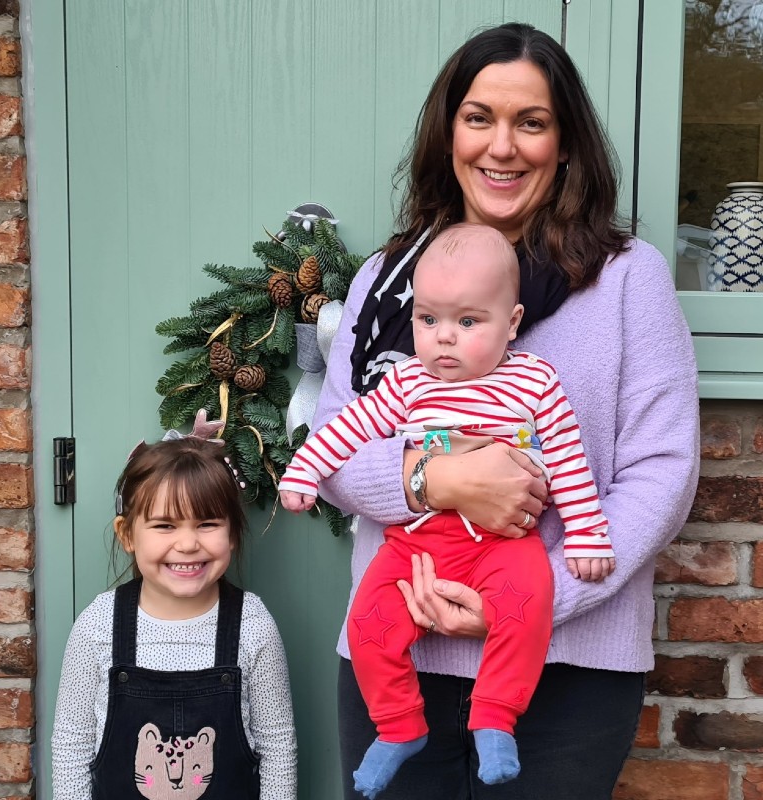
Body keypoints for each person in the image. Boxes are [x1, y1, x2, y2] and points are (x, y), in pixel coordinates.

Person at [310, 22, 700, 800]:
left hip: (569, 665)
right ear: (448, 132)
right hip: (398, 657)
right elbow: (333, 447)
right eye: (480, 117)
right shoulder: (389, 282)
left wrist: (529, 598)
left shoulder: (627, 280)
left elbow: (663, 473)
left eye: (532, 122)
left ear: (565, 144)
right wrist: (438, 480)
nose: (503, 147)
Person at [281, 223, 613, 797]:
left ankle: (494, 718)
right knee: (367, 627)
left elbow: (567, 460)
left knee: (526, 604)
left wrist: (585, 534)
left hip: (504, 545)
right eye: (428, 319)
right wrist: (306, 468)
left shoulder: (535, 381)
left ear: (511, 323)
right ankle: (398, 726)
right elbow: (348, 429)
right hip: (415, 545)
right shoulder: (408, 381)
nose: (443, 339)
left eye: (467, 322)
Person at [50, 429, 297, 800]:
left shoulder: (252, 624)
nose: (186, 544)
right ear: (127, 534)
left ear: (232, 533)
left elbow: (277, 749)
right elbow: (71, 748)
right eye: (165, 525)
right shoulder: (99, 625)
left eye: (207, 524)